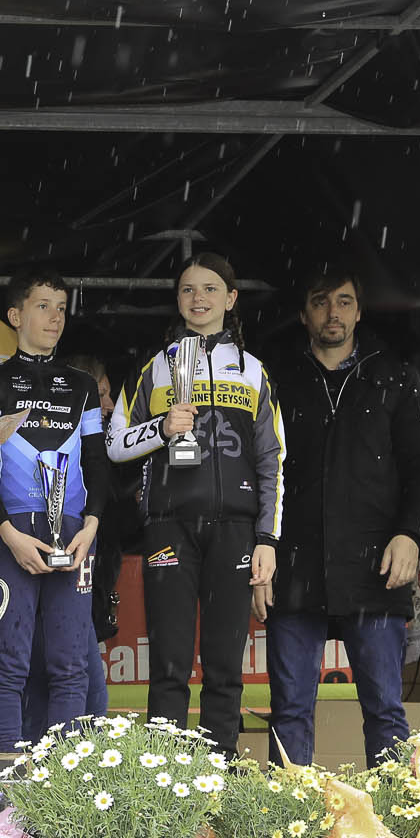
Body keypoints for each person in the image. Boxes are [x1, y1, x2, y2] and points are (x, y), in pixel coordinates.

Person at [260, 264, 420, 767]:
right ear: (304, 314)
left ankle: (393, 813)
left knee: (384, 709)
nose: (333, 313)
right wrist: (262, 551)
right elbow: (258, 472)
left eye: (343, 301)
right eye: (320, 302)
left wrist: (411, 535)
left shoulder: (395, 377)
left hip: (375, 566)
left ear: (359, 311)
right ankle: (289, 814)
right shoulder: (275, 380)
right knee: (290, 711)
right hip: (295, 565)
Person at [106, 252, 282, 754]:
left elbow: (272, 460)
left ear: (231, 299)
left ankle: (219, 776)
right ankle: (167, 781)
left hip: (236, 531)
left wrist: (267, 539)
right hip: (169, 526)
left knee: (225, 667)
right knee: (169, 664)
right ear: (177, 299)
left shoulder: (254, 372)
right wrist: (161, 430)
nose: (198, 298)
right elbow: (115, 443)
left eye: (210, 289)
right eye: (187, 289)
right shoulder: (153, 369)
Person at [0, 270, 107, 747]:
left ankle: (61, 773)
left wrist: (91, 526)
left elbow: (97, 461)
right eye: (43, 306)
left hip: (75, 535)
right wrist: (7, 534)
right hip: (12, 535)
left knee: (70, 664)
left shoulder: (83, 385)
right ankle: (7, 768)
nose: (55, 317)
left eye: (61, 308)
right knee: (9, 661)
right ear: (15, 315)